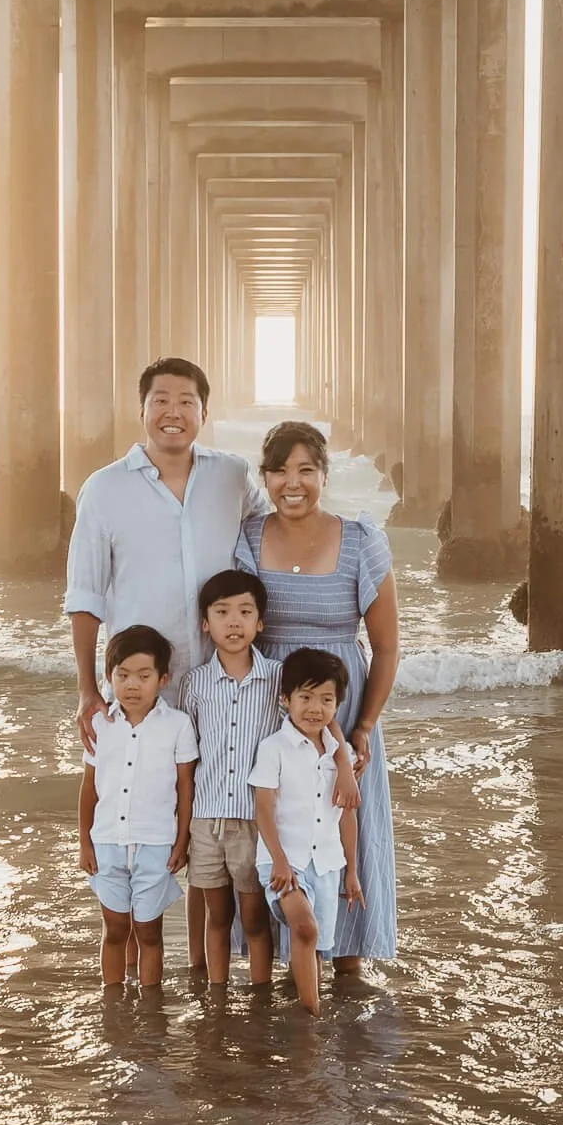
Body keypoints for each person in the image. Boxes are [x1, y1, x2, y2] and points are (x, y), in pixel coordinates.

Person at [66, 357, 267, 980]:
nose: (173, 412)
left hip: (222, 688)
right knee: (145, 827)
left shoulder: (233, 477)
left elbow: (272, 539)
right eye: (160, 400)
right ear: (142, 409)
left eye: (186, 401)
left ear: (204, 412)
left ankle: (209, 974)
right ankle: (139, 974)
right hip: (142, 694)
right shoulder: (105, 488)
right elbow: (85, 594)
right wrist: (86, 692)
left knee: (213, 828)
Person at [235, 420, 401, 970]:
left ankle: (348, 965)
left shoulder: (360, 541)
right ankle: (279, 963)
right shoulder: (249, 537)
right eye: (279, 470)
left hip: (340, 704)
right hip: (271, 706)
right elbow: (231, 623)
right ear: (265, 477)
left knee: (340, 822)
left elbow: (386, 647)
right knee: (277, 821)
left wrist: (361, 729)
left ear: (325, 475)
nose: (292, 482)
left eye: (306, 469)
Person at [77, 625, 197, 992]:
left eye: (143, 676)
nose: (132, 685)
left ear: (162, 679)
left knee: (148, 931)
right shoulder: (100, 724)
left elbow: (185, 786)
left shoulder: (177, 725)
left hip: (155, 844)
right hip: (108, 842)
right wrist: (84, 842)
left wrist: (182, 841)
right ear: (109, 677)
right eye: (122, 675)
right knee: (114, 928)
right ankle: (111, 1001)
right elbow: (89, 788)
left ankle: (150, 1004)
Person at [182, 569, 284, 989]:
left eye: (245, 611)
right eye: (221, 612)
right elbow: (186, 760)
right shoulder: (196, 683)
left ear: (260, 621)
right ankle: (217, 1001)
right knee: (217, 916)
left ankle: (260, 996)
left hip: (253, 822)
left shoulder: (277, 678)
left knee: (256, 918)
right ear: (205, 623)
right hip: (206, 822)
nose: (233, 622)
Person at [249, 648, 363, 1015]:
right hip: (285, 862)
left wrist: (353, 872)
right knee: (305, 928)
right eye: (306, 697)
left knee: (313, 944)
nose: (315, 708)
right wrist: (279, 862)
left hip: (327, 863)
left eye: (326, 700)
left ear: (338, 705)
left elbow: (346, 816)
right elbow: (262, 809)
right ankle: (311, 1017)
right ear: (286, 700)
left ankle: (308, 1009)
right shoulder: (273, 748)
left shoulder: (339, 754)